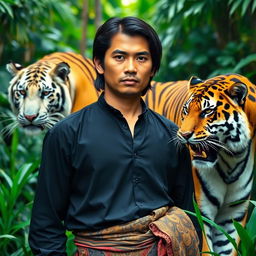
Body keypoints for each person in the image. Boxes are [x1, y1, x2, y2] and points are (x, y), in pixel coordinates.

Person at [29, 17, 200, 256]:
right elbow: (45, 224)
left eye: (141, 58)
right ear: (99, 64)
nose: (131, 67)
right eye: (119, 57)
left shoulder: (172, 134)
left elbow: (187, 213)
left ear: (153, 68)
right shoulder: (66, 134)